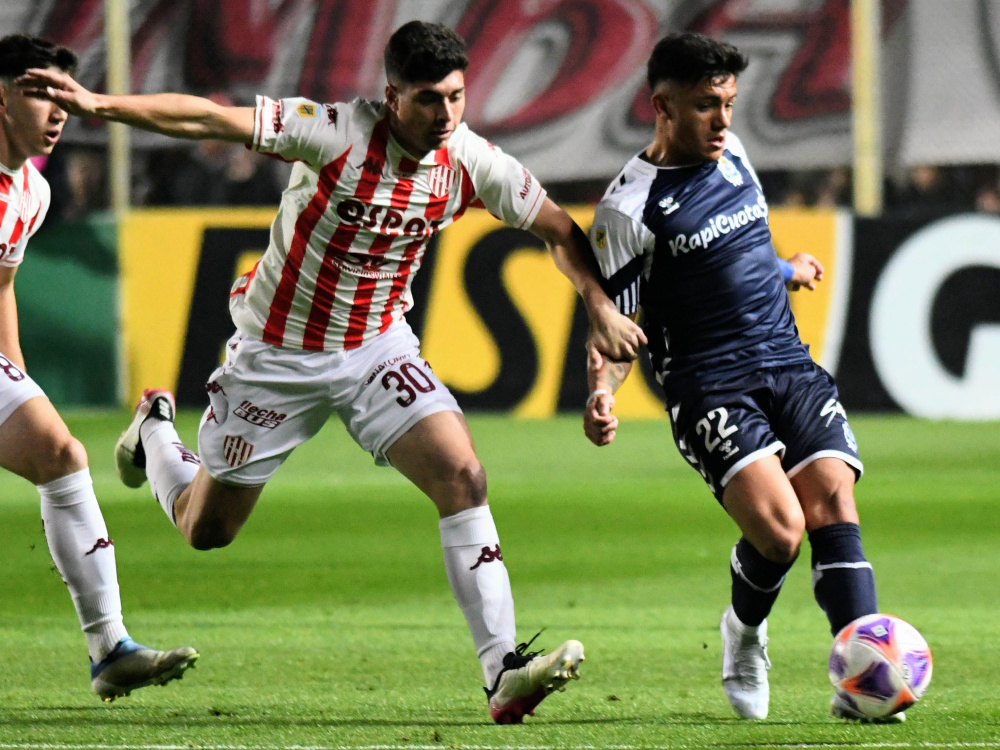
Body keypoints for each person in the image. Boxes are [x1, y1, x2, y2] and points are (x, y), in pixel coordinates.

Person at [19, 21, 646, 724]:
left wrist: (598, 305)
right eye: (428, 99)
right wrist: (100, 105)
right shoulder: (335, 132)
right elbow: (212, 119)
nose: (445, 114)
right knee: (206, 529)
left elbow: (558, 228)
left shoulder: (469, 160)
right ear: (392, 96)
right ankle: (154, 432)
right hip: (277, 355)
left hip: (377, 349)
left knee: (462, 475)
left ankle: (501, 670)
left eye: (456, 96)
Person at [583, 32, 891, 723]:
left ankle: (865, 678)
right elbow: (616, 325)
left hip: (788, 362)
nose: (722, 120)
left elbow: (740, 248)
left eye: (728, 103)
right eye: (705, 105)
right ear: (661, 106)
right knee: (781, 533)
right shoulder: (629, 210)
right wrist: (602, 391)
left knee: (834, 501)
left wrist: (788, 269)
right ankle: (744, 634)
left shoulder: (734, 153)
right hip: (711, 386)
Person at [0, 34, 198, 701]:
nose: (60, 111)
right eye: (42, 94)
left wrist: (17, 380)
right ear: (1, 95)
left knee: (60, 455)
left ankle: (110, 649)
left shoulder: (31, 191)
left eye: (65, 97)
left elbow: (2, 287)